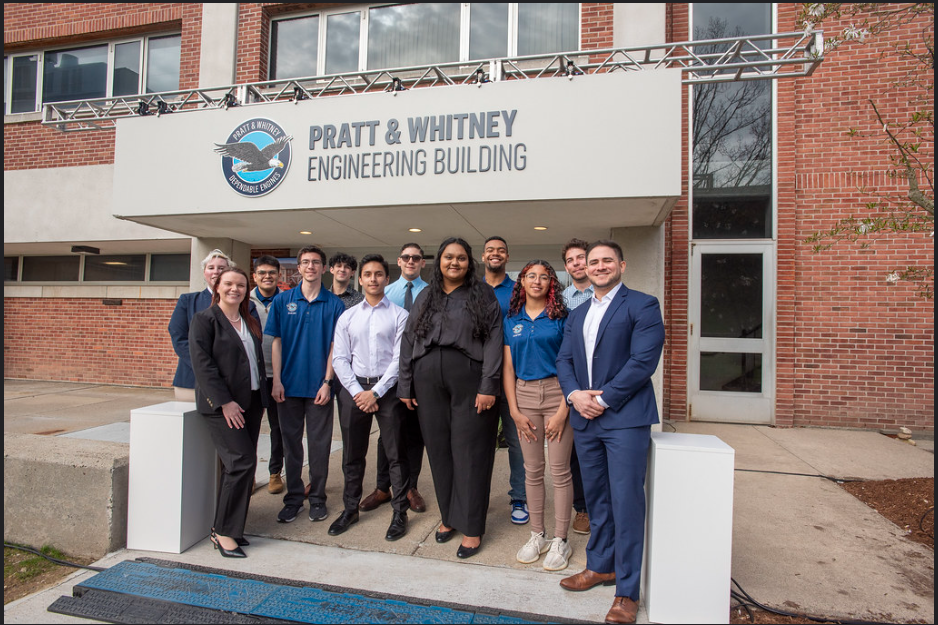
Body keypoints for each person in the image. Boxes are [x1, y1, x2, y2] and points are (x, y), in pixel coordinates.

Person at [555, 240, 665, 625]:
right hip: (585, 420)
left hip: (624, 419)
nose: (599, 267)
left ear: (622, 264)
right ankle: (600, 566)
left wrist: (602, 400)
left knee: (626, 502)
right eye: (593, 261)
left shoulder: (643, 305)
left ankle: (627, 591)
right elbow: (564, 359)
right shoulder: (578, 313)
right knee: (598, 500)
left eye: (606, 261)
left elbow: (643, 361)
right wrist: (573, 396)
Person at [398, 237, 502, 559]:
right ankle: (449, 517)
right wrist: (405, 385)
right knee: (440, 452)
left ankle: (471, 527)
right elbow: (407, 339)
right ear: (438, 261)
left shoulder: (482, 294)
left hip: (470, 380)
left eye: (460, 258)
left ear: (470, 263)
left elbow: (495, 340)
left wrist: (488, 385)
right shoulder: (426, 296)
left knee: (470, 453)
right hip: (427, 381)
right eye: (448, 257)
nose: (454, 263)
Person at [330, 254, 410, 541]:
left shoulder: (401, 315)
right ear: (360, 279)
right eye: (368, 274)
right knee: (352, 455)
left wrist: (375, 393)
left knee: (396, 455)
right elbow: (339, 359)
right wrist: (358, 393)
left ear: (387, 279)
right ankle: (350, 509)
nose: (373, 279)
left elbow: (401, 360)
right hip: (354, 390)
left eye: (379, 274)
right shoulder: (348, 316)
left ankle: (399, 513)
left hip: (387, 391)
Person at [189, 267, 266, 559]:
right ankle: (223, 533)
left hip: (252, 402)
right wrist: (224, 402)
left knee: (240, 467)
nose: (235, 289)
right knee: (241, 463)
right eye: (229, 284)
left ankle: (230, 529)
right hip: (224, 407)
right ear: (217, 287)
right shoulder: (205, 320)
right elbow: (202, 365)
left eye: (241, 285)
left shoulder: (247, 320)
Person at [265, 245, 345, 524]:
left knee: (320, 446)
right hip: (287, 387)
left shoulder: (335, 304)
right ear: (298, 268)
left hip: (319, 388)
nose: (311, 266)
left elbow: (336, 346)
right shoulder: (281, 301)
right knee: (291, 445)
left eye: (316, 262)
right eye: (306, 262)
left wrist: (327, 382)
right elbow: (276, 343)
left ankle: (318, 498)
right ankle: (293, 498)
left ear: (324, 269)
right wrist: (276, 380)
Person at [503, 260, 573, 571]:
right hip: (525, 395)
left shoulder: (560, 317)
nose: (537, 281)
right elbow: (507, 367)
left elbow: (572, 364)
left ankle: (561, 540)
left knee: (559, 472)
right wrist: (515, 410)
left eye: (544, 277)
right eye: (531, 276)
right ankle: (537, 535)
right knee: (532, 470)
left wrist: (563, 411)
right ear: (522, 281)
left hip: (558, 393)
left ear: (551, 284)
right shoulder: (512, 319)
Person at [362, 243, 429, 514]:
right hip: (390, 376)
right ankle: (382, 487)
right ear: (399, 262)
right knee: (387, 435)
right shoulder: (384, 293)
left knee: (415, 433)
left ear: (423, 263)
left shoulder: (432, 293)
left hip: (421, 372)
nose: (411, 261)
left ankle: (410, 486)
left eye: (416, 258)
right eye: (406, 257)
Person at [481, 235, 528, 525]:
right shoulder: (471, 289)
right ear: (483, 257)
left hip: (513, 379)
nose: (495, 254)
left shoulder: (518, 291)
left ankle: (519, 497)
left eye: (500, 250)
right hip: (478, 382)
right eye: (489, 250)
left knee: (517, 442)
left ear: (507, 257)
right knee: (478, 444)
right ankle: (476, 497)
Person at [560, 238, 594, 536]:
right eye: (571, 260)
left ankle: (604, 506)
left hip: (601, 382)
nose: (577, 264)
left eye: (581, 258)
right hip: (571, 382)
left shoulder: (605, 295)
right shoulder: (561, 300)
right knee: (575, 453)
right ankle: (582, 509)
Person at [168, 249, 232, 401]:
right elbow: (179, 337)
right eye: (211, 267)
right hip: (192, 379)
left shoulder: (242, 304)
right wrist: (204, 368)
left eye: (221, 268)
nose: (216, 271)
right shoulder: (188, 301)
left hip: (230, 380)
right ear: (204, 272)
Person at [249, 255, 286, 495]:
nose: (267, 276)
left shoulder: (286, 300)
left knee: (278, 428)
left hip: (277, 375)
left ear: (278, 275)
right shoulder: (244, 299)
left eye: (272, 272)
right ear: (255, 276)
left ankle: (275, 473)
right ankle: (249, 474)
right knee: (250, 428)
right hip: (252, 375)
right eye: (262, 272)